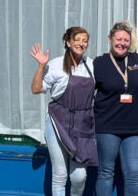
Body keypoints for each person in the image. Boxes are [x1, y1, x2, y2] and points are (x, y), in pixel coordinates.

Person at [93, 21, 138, 196]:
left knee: (134, 173)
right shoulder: (99, 63)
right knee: (106, 172)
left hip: (132, 129)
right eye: (118, 39)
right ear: (110, 39)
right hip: (107, 127)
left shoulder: (137, 60)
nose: (122, 43)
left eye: (126, 40)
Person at [30, 27, 98, 196]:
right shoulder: (55, 65)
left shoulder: (91, 64)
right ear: (68, 42)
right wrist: (41, 66)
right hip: (57, 121)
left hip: (82, 123)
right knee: (60, 175)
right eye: (78, 40)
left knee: (79, 177)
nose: (81, 44)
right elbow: (36, 89)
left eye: (85, 41)